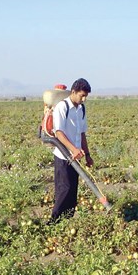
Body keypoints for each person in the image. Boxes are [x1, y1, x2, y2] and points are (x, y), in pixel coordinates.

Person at [50, 78, 93, 222]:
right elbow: (59, 133)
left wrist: (87, 155)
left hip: (76, 157)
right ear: (73, 92)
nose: (84, 99)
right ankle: (54, 222)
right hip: (63, 156)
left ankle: (67, 222)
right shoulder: (62, 107)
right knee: (64, 189)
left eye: (86, 96)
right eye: (82, 95)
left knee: (72, 191)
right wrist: (73, 149)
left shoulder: (81, 109)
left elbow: (82, 133)